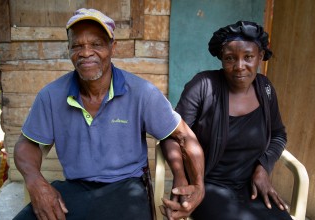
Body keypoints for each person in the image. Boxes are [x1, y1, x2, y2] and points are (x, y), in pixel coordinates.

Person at [13, 8, 204, 220]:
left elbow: (182, 136)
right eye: (77, 45)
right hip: (75, 190)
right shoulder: (51, 95)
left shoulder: (142, 92)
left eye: (96, 44)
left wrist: (196, 184)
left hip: (126, 190)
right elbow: (26, 144)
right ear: (68, 49)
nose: (86, 52)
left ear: (113, 47)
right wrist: (35, 182)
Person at [160, 21, 292, 220]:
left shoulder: (265, 89)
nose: (239, 66)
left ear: (261, 57)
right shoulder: (203, 86)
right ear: (221, 58)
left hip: (252, 186)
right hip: (207, 185)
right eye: (230, 58)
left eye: (248, 57)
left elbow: (278, 135)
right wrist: (180, 177)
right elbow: (171, 135)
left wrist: (263, 168)